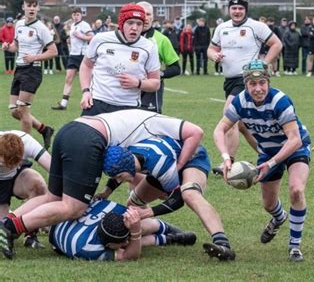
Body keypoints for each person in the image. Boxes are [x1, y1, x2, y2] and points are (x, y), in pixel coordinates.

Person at [0, 108, 203, 259]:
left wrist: (106, 190)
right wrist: (179, 166)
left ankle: (6, 223)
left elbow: (121, 165)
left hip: (70, 130)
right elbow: (196, 132)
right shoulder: (161, 128)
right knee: (73, 208)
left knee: (54, 197)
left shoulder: (144, 125)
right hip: (88, 139)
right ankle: (11, 227)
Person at [213, 59, 311, 262]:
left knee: (296, 189)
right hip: (267, 151)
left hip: (295, 147)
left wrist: (272, 163)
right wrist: (225, 157)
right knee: (268, 204)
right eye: (252, 84)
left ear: (268, 82)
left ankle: (294, 247)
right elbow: (219, 129)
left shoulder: (280, 101)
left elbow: (294, 140)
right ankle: (279, 217)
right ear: (246, 84)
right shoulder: (239, 102)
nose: (258, 89)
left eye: (262, 83)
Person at [98, 135, 236, 261]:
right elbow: (119, 171)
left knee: (189, 193)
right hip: (169, 163)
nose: (117, 180)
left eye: (119, 177)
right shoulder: (128, 156)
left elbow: (178, 198)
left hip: (192, 158)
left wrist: (148, 212)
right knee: (133, 203)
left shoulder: (158, 163)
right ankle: (163, 233)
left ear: (128, 167)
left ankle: (222, 244)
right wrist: (106, 192)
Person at [207, 0, 282, 175]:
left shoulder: (256, 26)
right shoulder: (222, 28)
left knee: (229, 116)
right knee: (241, 125)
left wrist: (264, 63)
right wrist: (214, 56)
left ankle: (229, 162)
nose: (237, 11)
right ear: (229, 10)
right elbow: (211, 48)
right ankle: (273, 158)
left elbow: (276, 44)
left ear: (246, 10)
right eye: (234, 8)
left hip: (247, 79)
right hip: (229, 80)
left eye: (241, 8)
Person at [79, 4, 160, 116]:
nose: (135, 28)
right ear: (121, 24)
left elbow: (155, 83)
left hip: (129, 107)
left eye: (139, 24)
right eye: (130, 23)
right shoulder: (100, 39)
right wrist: (86, 92)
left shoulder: (149, 47)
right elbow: (86, 66)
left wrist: (138, 83)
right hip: (97, 103)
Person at [49, 199, 196, 261]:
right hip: (58, 229)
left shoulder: (110, 209)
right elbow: (129, 256)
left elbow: (134, 224)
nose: (126, 241)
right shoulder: (87, 248)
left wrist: (135, 226)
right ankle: (168, 239)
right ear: (106, 245)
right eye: (122, 242)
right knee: (132, 239)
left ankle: (165, 227)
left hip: (65, 216)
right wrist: (135, 232)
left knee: (137, 226)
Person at [1, 0, 58, 150]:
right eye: (29, 5)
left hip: (33, 71)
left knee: (23, 111)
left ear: (38, 8)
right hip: (19, 69)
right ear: (23, 7)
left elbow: (53, 51)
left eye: (34, 5)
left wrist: (34, 57)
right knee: (14, 111)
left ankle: (24, 151)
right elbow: (16, 46)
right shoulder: (19, 24)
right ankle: (44, 129)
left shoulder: (41, 28)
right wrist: (8, 47)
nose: (32, 8)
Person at [0, 131, 50, 249]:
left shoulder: (27, 141)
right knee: (5, 230)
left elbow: (54, 169)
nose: (9, 166)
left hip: (17, 179)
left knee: (38, 185)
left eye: (13, 163)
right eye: (4, 163)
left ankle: (31, 235)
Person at [137, 1, 180, 114]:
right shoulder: (125, 38)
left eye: (149, 14)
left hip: (151, 91)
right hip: (129, 89)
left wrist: (158, 74)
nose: (146, 18)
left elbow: (176, 68)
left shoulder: (162, 39)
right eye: (142, 14)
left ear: (153, 17)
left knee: (150, 125)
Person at [51, 8, 94, 110]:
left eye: (77, 15)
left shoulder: (85, 25)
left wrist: (80, 36)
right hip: (73, 55)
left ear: (81, 15)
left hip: (82, 56)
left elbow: (92, 37)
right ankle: (63, 104)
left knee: (88, 80)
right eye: (74, 15)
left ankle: (91, 101)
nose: (75, 17)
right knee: (68, 78)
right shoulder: (73, 25)